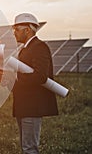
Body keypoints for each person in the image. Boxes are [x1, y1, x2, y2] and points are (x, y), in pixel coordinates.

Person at [12, 13, 58, 154]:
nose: (14, 33)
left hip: (32, 106)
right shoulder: (26, 49)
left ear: (27, 30)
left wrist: (16, 79)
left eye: (17, 29)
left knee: (29, 148)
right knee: (26, 146)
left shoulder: (39, 47)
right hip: (24, 106)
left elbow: (40, 76)